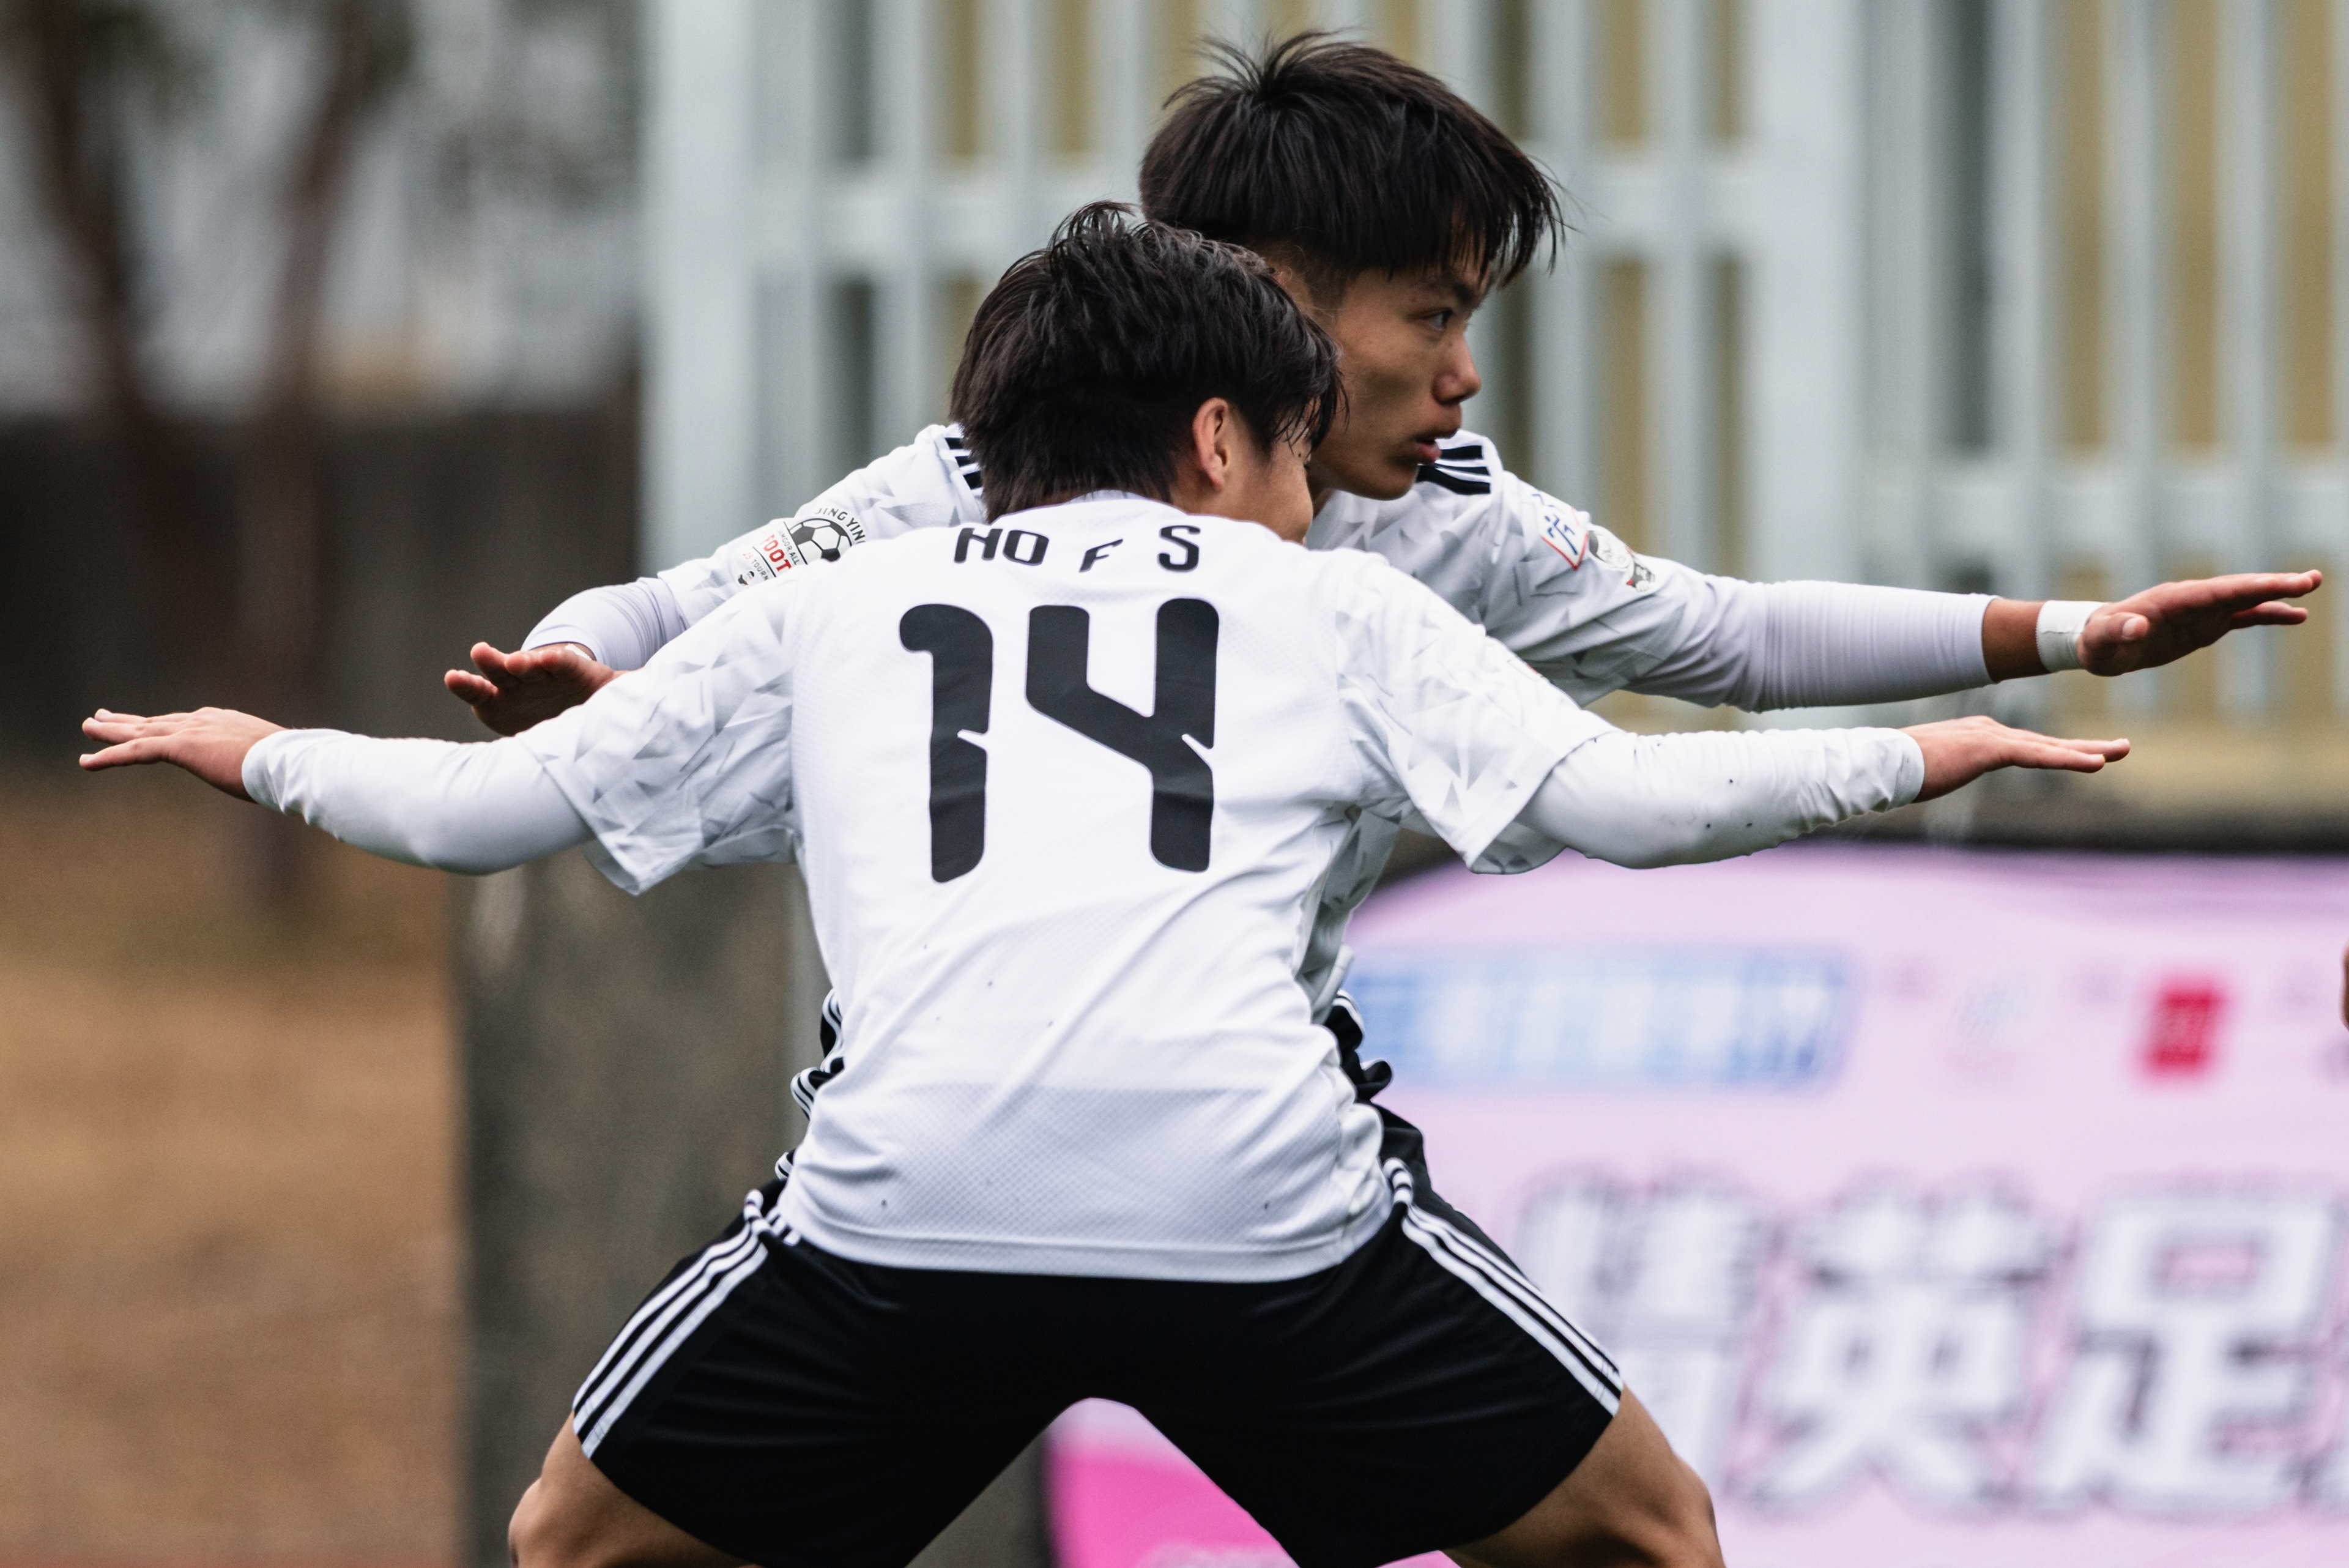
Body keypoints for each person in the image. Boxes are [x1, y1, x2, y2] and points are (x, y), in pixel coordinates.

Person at [85, 210, 2129, 1568]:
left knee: (574, 1538)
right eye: (1304, 454)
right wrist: (1923, 755)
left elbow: (481, 815)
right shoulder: (1328, 604)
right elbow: (1628, 800)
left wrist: (252, 748)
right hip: (1259, 1211)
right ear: (1220, 437)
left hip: (907, 1214)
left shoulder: (842, 597)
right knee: (1645, 1531)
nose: (1316, 496)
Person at [447, 32, 2315, 1106]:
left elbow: (1726, 635)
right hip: (958, 1126)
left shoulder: (1442, 526)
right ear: (1269, 309)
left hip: (1244, 1137)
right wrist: (568, 670)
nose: (1466, 372)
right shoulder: (960, 493)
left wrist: (2074, 629)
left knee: (1625, 1520)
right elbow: (659, 617)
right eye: (1433, 316)